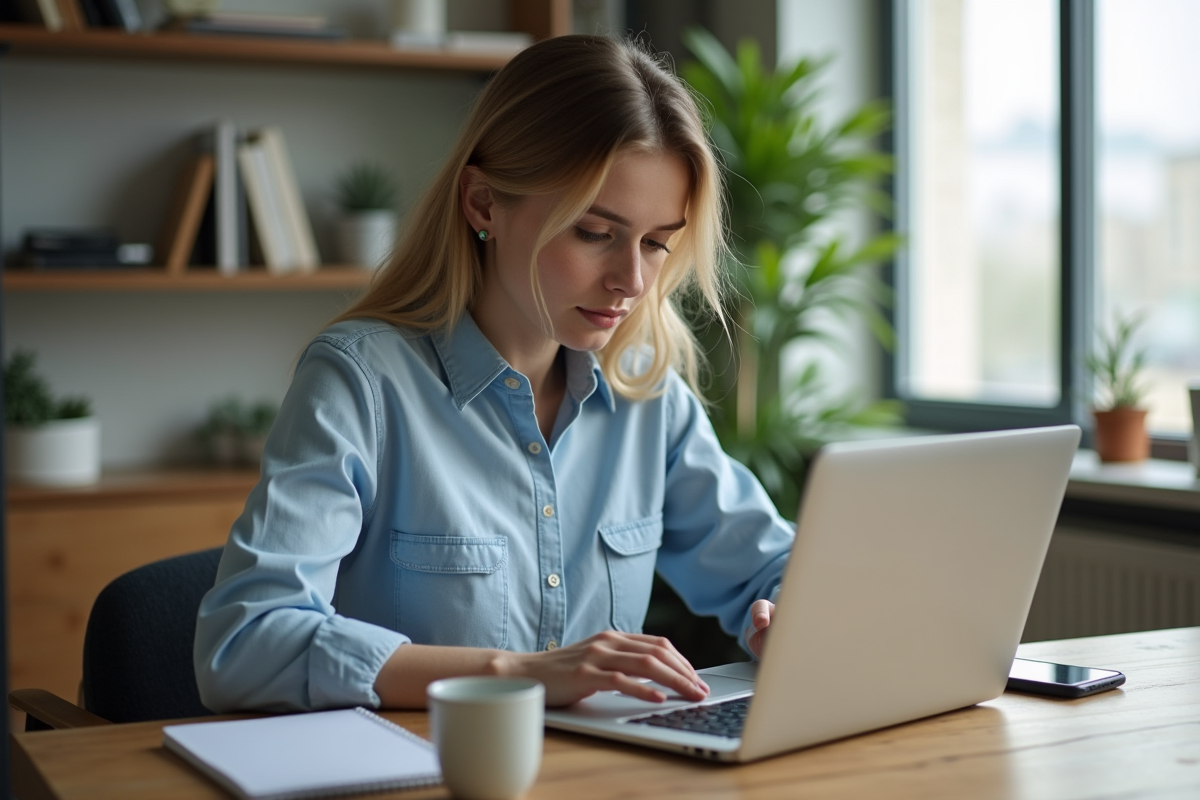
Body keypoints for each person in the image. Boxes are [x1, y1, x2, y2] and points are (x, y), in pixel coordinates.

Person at [194, 34, 795, 713]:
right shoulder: (361, 384)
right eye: (594, 232)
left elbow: (773, 570)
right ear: (483, 204)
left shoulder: (647, 393)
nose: (632, 279)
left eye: (657, 242)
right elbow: (244, 644)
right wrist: (521, 673)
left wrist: (798, 616)